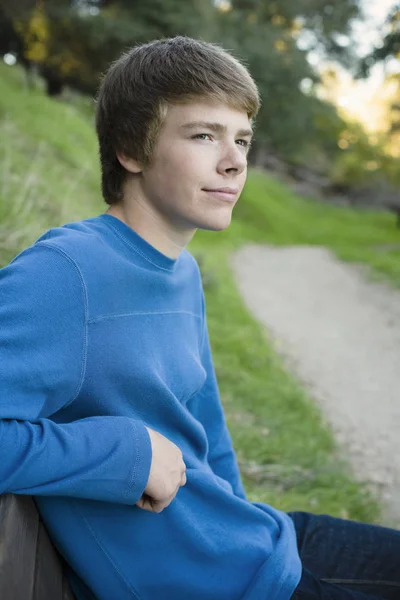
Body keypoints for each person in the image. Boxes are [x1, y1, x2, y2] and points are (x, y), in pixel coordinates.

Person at [0, 36, 399, 600]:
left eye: (242, 139)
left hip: (253, 538)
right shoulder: (66, 274)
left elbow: (206, 430)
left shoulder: (182, 269)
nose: (235, 161)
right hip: (212, 583)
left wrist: (235, 508)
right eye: (204, 135)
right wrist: (125, 453)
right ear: (130, 150)